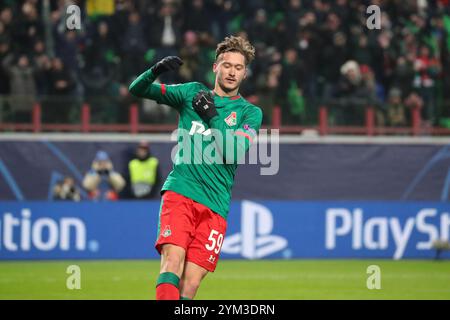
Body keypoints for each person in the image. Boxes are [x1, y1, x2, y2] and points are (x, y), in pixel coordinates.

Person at [129, 35, 262, 300]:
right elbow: (137, 89)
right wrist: (155, 71)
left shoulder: (250, 113)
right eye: (227, 65)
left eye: (238, 67)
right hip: (181, 191)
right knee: (172, 261)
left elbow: (232, 152)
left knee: (190, 285)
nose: (232, 72)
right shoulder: (191, 93)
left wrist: (212, 115)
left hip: (215, 205)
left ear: (244, 73)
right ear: (215, 67)